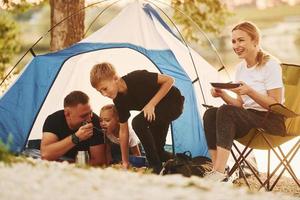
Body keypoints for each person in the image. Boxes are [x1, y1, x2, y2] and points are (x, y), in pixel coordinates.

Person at [203, 21, 286, 181]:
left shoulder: (270, 65)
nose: (236, 45)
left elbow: (276, 105)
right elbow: (241, 105)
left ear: (255, 41)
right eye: (233, 41)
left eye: (241, 40)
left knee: (225, 111)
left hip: (272, 121)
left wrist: (250, 91)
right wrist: (223, 95)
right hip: (250, 118)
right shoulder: (240, 68)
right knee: (210, 113)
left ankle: (219, 174)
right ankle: (218, 170)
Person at [90, 63, 185, 173]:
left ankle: (155, 169)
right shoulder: (118, 101)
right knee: (158, 152)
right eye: (100, 91)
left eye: (105, 88)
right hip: (154, 114)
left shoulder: (137, 78)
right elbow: (123, 131)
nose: (104, 94)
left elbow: (169, 80)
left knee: (138, 122)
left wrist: (151, 104)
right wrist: (125, 162)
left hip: (173, 102)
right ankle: (183, 162)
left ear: (115, 78)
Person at [41, 90, 107, 166]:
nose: (89, 119)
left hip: (78, 166)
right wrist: (76, 138)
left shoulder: (94, 121)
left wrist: (66, 165)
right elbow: (45, 155)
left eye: (90, 112)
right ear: (67, 114)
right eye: (83, 116)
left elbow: (99, 162)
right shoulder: (54, 120)